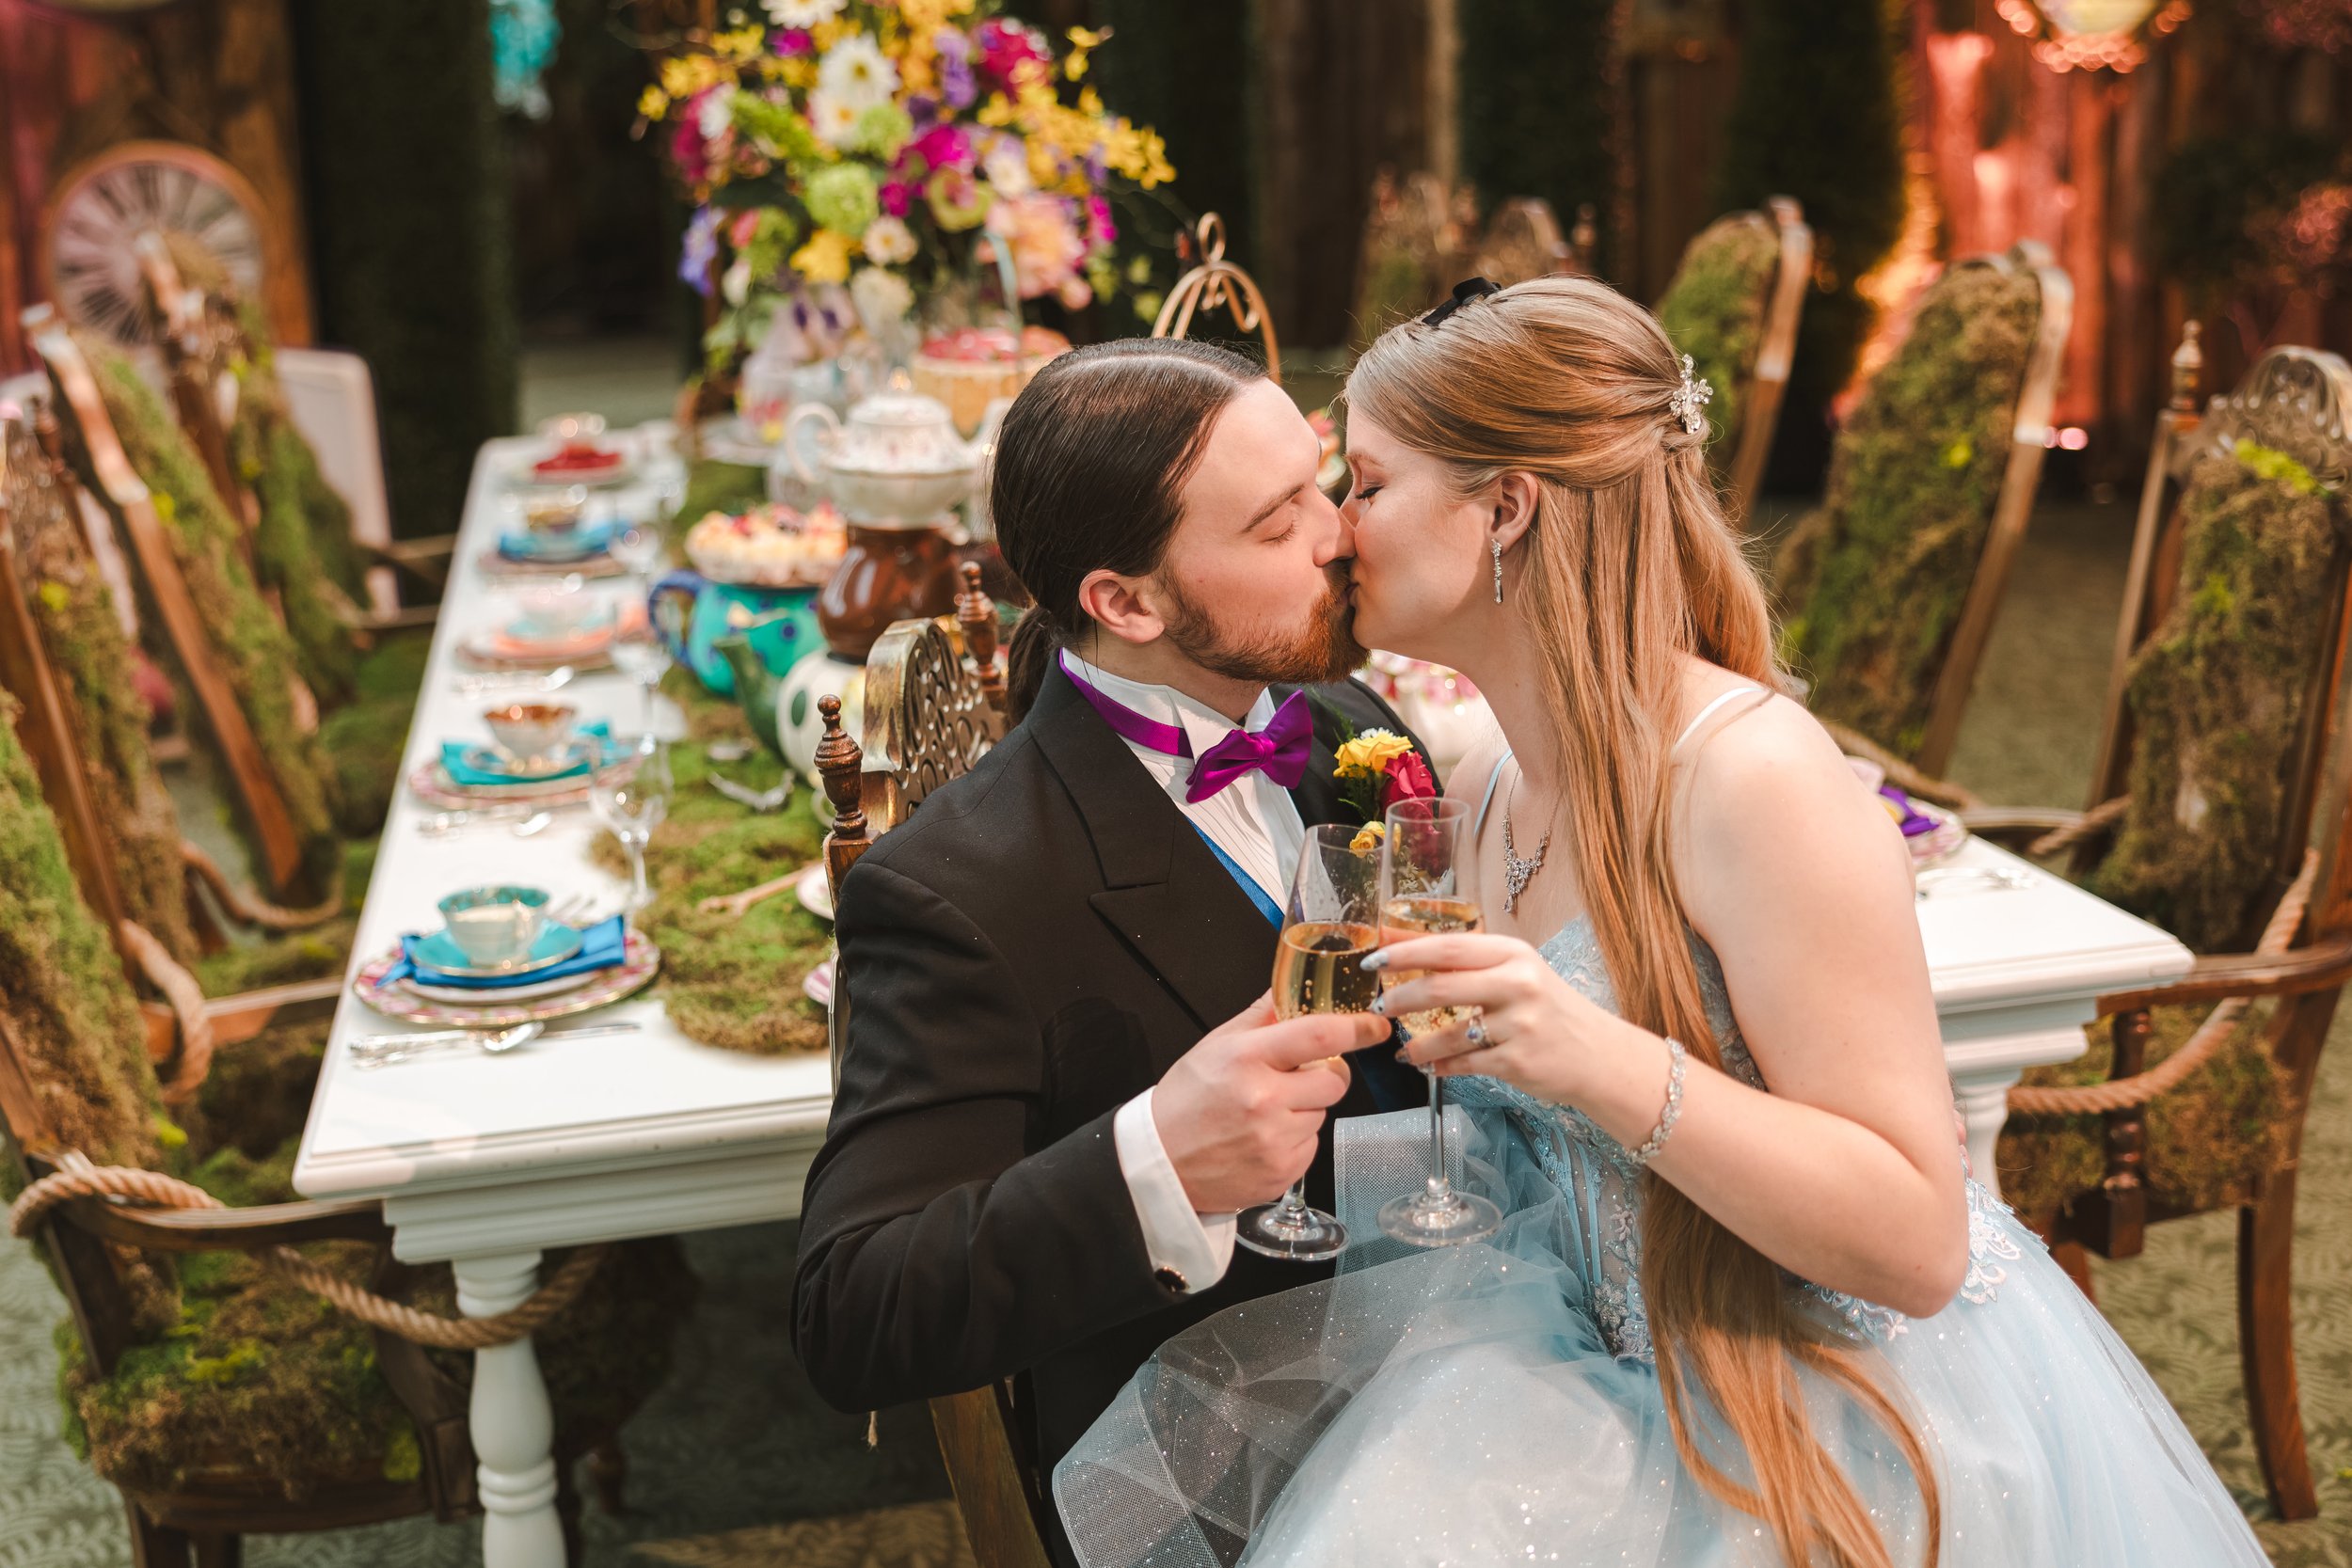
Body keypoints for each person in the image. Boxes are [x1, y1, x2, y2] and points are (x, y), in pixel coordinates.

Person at [1051, 279, 2269, 1568]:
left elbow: (1917, 1243)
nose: (1335, 533)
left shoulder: (1754, 783)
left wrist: (1594, 1056)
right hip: (1569, 1368)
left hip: (1812, 1413)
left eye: (1367, 483)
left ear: (1506, 509)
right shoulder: (1482, 791)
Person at [792, 338, 1429, 1568]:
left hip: (1460, 1352)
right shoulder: (962, 889)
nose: (1339, 534)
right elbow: (852, 1314)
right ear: (1125, 601)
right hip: (1225, 1470)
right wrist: (1156, 1164)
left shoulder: (1348, 722)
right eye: (1272, 523)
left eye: (1323, 483)